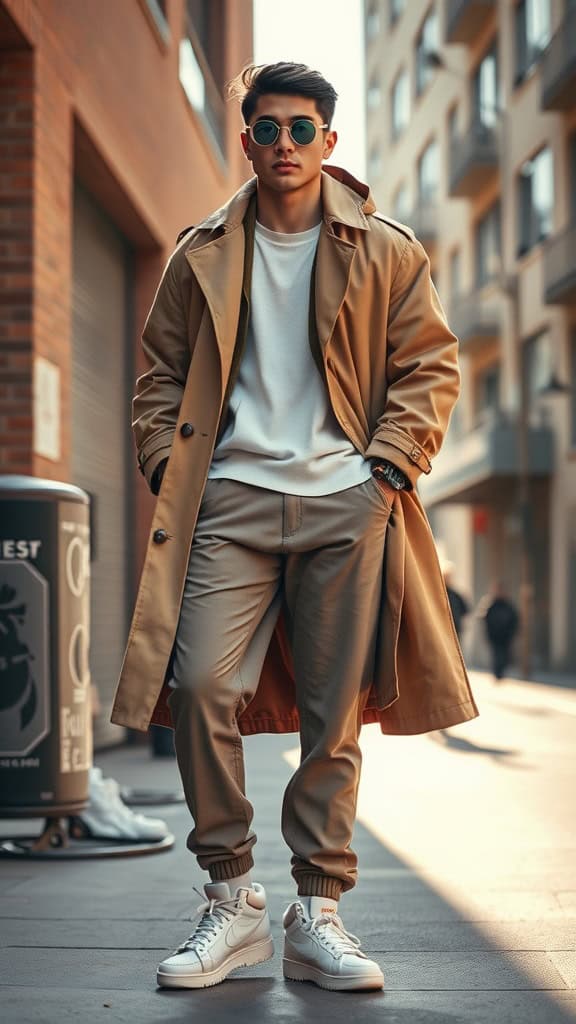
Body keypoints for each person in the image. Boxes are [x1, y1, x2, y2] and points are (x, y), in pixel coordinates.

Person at [111, 62, 478, 992]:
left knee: (333, 714)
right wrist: (166, 463)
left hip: (345, 502)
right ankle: (232, 899)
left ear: (329, 142)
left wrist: (388, 467)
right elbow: (157, 375)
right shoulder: (200, 252)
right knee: (195, 684)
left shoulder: (386, 251)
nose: (284, 145)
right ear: (246, 141)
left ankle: (318, 910)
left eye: (301, 129)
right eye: (267, 129)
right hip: (229, 498)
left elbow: (430, 365)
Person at [484, 584, 519, 681]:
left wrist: (512, 631)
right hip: (495, 635)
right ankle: (497, 673)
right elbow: (486, 619)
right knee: (496, 654)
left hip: (506, 635)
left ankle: (501, 672)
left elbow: (514, 618)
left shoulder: (508, 605)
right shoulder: (491, 605)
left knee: (504, 655)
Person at [442, 562, 470, 641]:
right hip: (443, 628)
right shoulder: (438, 594)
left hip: (455, 628)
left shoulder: (456, 595)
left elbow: (465, 610)